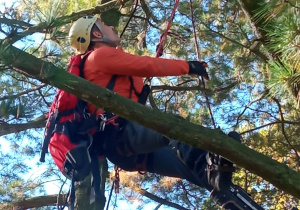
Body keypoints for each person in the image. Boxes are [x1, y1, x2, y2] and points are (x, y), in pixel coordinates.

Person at [68, 16, 260, 210]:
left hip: (125, 149)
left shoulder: (101, 63)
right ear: (96, 34)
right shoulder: (99, 56)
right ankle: (213, 170)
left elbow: (136, 69)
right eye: (104, 25)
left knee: (196, 169)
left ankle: (237, 202)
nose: (111, 26)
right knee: (173, 128)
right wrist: (189, 66)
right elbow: (148, 65)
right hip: (121, 135)